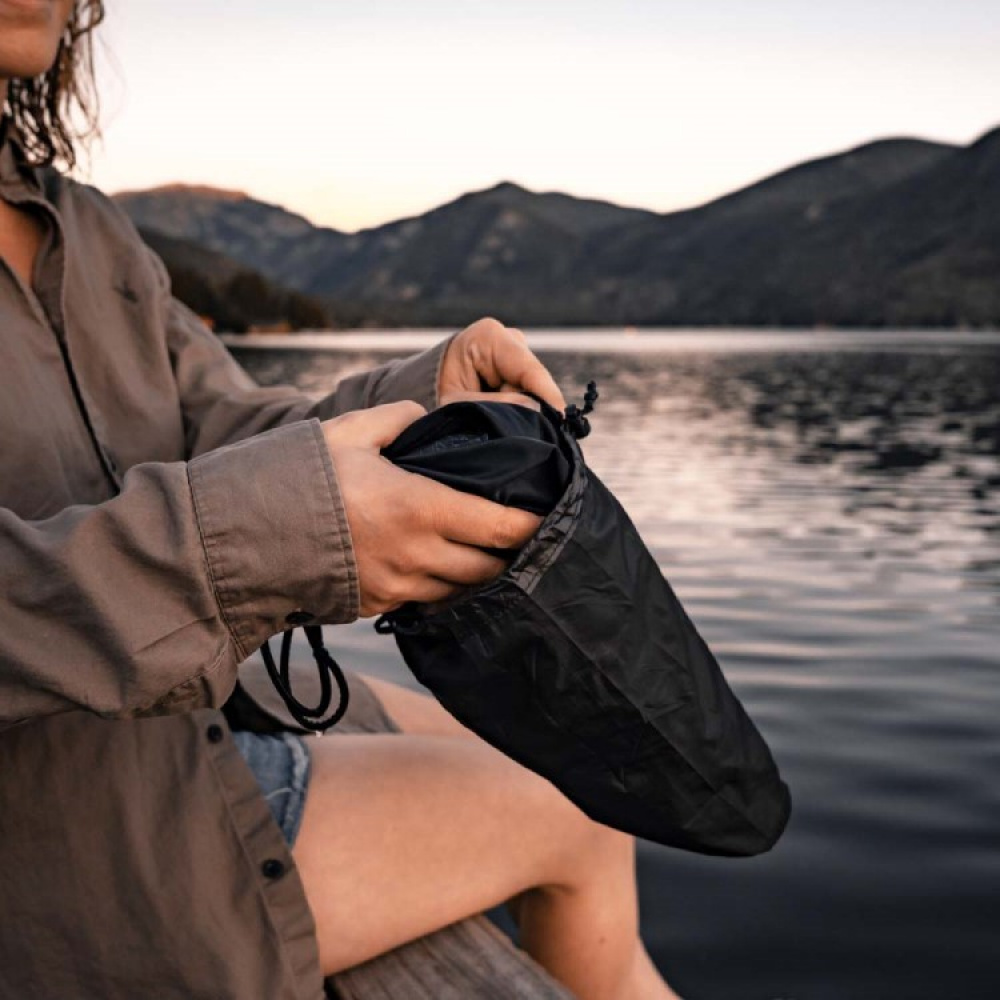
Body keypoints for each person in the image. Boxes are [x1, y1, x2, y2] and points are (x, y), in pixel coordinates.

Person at [0, 3, 680, 998]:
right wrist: (257, 541)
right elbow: (242, 517)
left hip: (187, 718)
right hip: (80, 841)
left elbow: (224, 422)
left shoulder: (89, 229)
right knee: (579, 811)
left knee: (571, 752)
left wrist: (422, 404)